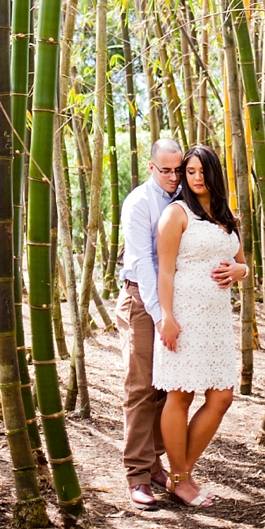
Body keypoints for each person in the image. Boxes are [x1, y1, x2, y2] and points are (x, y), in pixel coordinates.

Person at [153, 144, 249, 506]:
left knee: (221, 396)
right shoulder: (176, 214)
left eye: (200, 171)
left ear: (214, 174)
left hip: (218, 319)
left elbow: (241, 263)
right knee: (181, 394)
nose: (194, 178)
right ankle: (181, 478)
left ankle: (181, 474)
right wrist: (167, 317)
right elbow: (164, 270)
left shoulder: (226, 215)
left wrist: (242, 270)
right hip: (184, 315)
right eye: (188, 172)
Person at [115, 137, 183, 509]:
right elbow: (142, 263)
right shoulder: (140, 202)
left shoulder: (184, 197)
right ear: (152, 167)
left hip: (172, 301)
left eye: (178, 170)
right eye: (167, 171)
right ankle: (137, 475)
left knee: (164, 386)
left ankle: (155, 460)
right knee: (141, 386)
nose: (174, 177)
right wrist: (160, 316)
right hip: (142, 299)